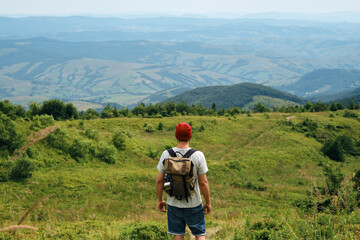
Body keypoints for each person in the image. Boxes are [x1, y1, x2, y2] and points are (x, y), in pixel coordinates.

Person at [156, 122, 211, 240]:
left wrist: (160, 200)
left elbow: (160, 180)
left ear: (176, 136)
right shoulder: (198, 155)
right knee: (200, 234)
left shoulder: (166, 154)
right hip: (194, 203)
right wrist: (208, 202)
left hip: (173, 203)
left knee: (178, 234)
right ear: (190, 136)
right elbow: (203, 183)